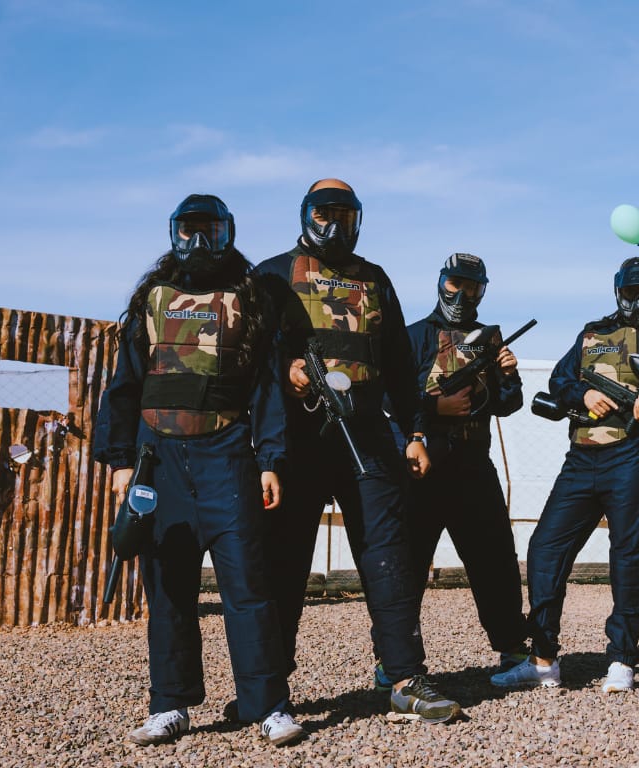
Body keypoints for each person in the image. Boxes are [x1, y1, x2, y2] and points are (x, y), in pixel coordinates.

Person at [93, 194, 305, 746]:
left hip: (228, 458)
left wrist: (270, 461)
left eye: (209, 232)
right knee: (167, 588)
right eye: (188, 232)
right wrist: (120, 462)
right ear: (173, 235)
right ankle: (170, 704)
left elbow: (268, 390)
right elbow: (124, 386)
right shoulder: (154, 299)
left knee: (248, 586)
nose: (198, 244)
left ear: (227, 232)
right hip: (157, 461)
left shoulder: (249, 298)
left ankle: (267, 705)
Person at [253, 179, 460, 724]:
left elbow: (396, 365)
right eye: (325, 212)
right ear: (305, 214)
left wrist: (414, 432)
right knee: (285, 565)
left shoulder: (374, 278)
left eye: (346, 214)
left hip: (367, 437)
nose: (335, 224)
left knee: (388, 559)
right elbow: (247, 359)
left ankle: (405, 679)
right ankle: (272, 693)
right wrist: (286, 371)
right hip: (297, 441)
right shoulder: (273, 275)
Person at [491, 255, 639, 693]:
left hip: (633, 459)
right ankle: (543, 659)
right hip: (582, 458)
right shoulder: (592, 334)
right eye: (630, 293)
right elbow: (559, 381)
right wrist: (584, 393)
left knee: (630, 557)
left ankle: (622, 657)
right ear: (617, 292)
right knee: (545, 548)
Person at [383, 252, 528, 686]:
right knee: (407, 565)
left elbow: (509, 403)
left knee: (494, 559)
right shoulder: (413, 337)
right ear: (441, 283)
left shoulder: (490, 340)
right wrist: (434, 405)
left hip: (472, 463)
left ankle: (512, 649)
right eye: (455, 285)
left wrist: (507, 373)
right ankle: (394, 661)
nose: (462, 295)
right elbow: (388, 399)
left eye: (472, 287)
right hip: (421, 464)